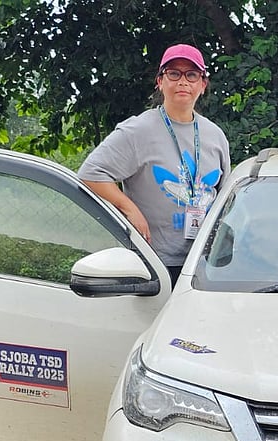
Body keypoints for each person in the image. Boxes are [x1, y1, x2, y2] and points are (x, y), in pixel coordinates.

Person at [78, 43, 231, 281]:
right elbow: (90, 174)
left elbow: (225, 197)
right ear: (160, 82)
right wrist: (128, 209)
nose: (183, 82)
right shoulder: (137, 130)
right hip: (153, 263)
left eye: (191, 75)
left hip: (204, 262)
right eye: (174, 73)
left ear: (203, 85)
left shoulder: (215, 135)